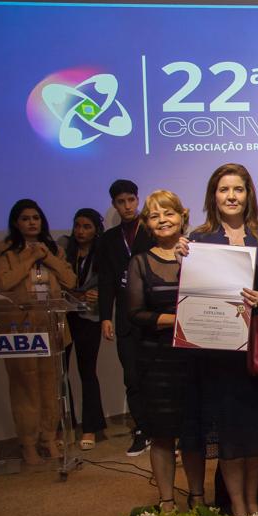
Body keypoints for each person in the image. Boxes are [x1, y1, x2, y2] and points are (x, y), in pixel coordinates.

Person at [177, 163, 258, 516]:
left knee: (254, 434)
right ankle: (237, 504)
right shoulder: (198, 240)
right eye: (224, 190)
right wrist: (182, 257)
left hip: (253, 351)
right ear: (214, 195)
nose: (231, 196)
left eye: (238, 189)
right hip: (216, 353)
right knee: (228, 436)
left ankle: (253, 500)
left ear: (248, 194)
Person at [0, 199, 77, 467]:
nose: (32, 222)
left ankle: (48, 439)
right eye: (26, 218)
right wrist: (29, 257)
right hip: (20, 329)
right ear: (16, 223)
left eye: (36, 218)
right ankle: (28, 443)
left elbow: (71, 281)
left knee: (50, 386)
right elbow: (5, 283)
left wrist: (47, 256)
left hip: (51, 327)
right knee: (25, 388)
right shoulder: (4, 252)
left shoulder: (53, 251)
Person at [124, 191, 193, 510]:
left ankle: (198, 497)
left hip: (194, 359)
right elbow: (136, 313)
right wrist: (177, 320)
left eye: (169, 213)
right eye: (154, 215)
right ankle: (166, 501)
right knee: (162, 434)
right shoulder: (139, 262)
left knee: (193, 433)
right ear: (147, 224)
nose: (163, 220)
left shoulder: (198, 255)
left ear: (182, 216)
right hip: (157, 360)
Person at [97, 179, 152, 457]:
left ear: (138, 199)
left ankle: (168, 430)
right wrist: (105, 316)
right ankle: (142, 429)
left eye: (131, 199)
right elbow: (106, 280)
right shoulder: (108, 239)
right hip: (125, 318)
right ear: (114, 205)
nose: (127, 206)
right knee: (132, 375)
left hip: (154, 313)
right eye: (121, 202)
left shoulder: (153, 229)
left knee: (159, 373)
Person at [60, 208, 106, 450]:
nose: (81, 231)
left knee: (87, 372)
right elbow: (56, 280)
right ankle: (65, 426)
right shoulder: (63, 248)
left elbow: (105, 285)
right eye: (77, 225)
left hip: (89, 317)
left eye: (86, 226)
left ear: (96, 229)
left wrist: (95, 295)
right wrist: (75, 293)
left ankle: (90, 427)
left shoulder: (102, 252)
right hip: (63, 316)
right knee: (60, 373)